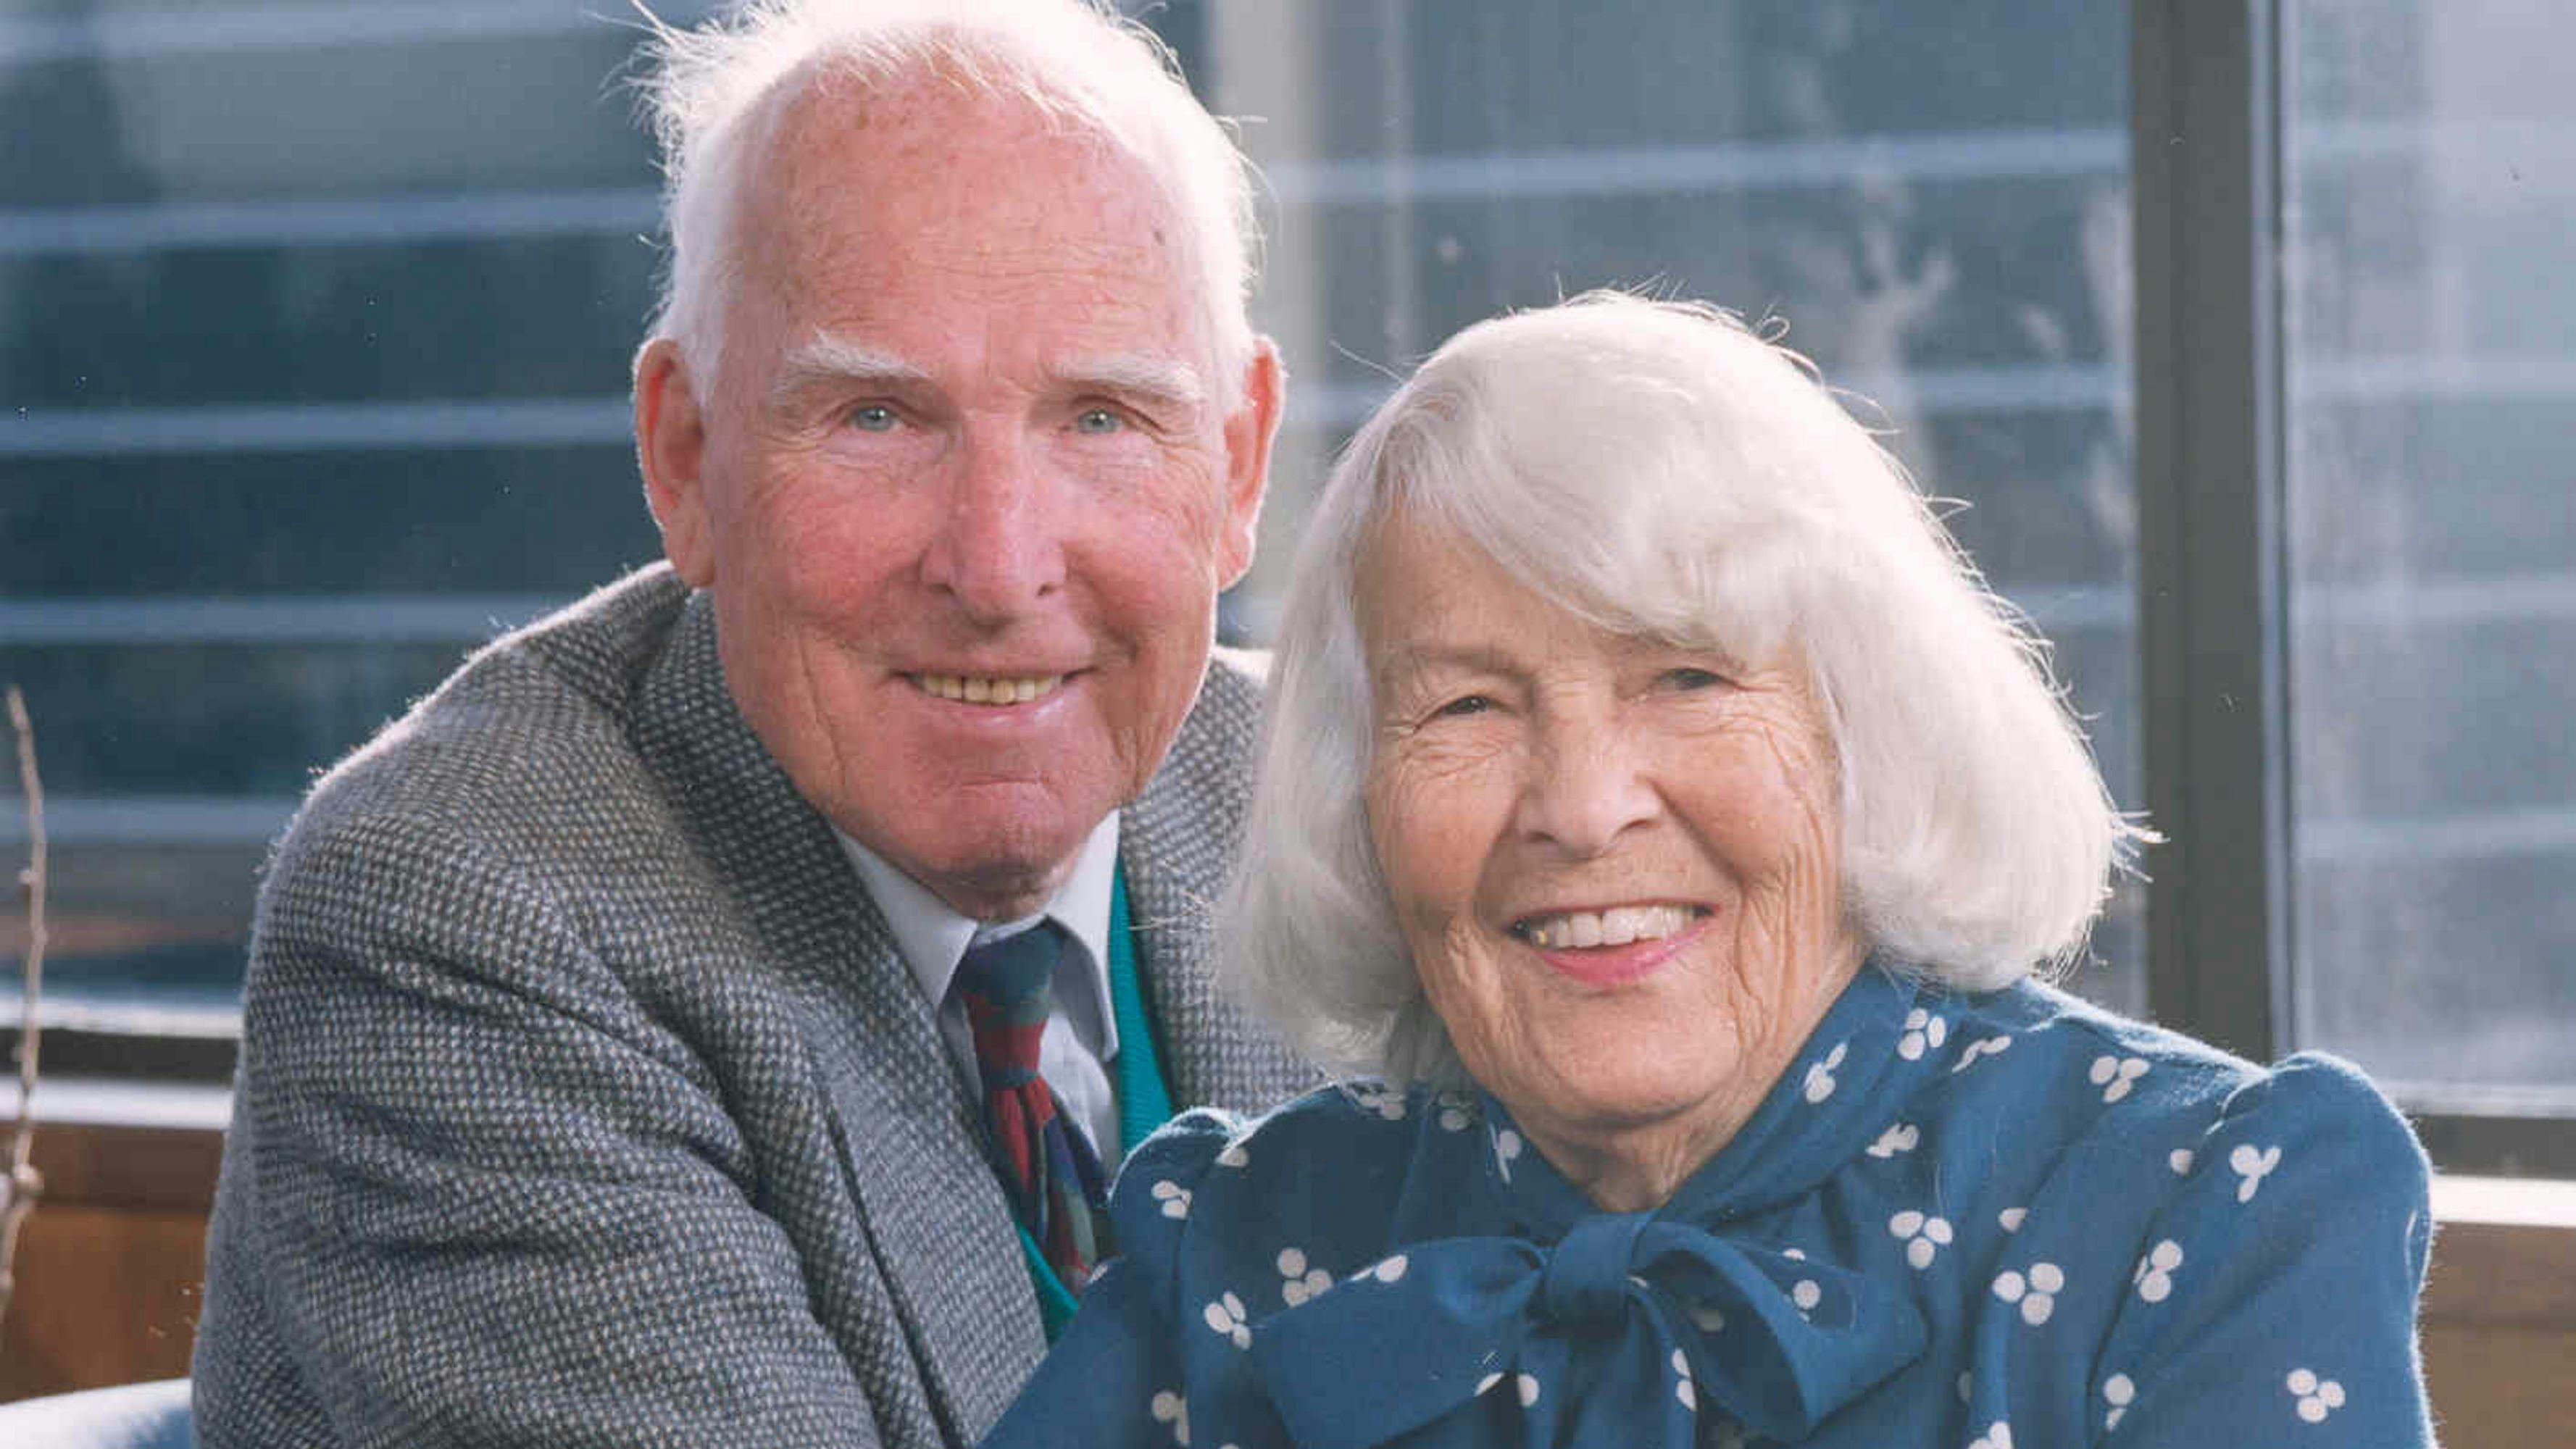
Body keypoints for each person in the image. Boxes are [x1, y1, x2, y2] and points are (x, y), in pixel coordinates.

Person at [982, 293, 2435, 1448]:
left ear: (1865, 728)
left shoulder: (2205, 1213)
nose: (1581, 804)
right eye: (1467, 707)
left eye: (1683, 676)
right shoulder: (1237, 1244)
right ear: (1352, 797)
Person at [192, 1, 1313, 1445]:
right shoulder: (456, 912)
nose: (995, 566)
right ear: (686, 453)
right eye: (876, 418)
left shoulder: (1354, 798)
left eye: (1101, 417)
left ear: (1234, 467)